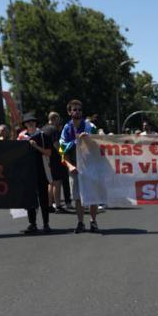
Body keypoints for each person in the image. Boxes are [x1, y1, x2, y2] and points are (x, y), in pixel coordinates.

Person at [60, 99, 99, 233]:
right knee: (77, 197)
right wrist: (70, 166)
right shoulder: (66, 128)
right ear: (69, 112)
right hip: (74, 166)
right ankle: (80, 222)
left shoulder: (89, 126)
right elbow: (61, 150)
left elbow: (100, 143)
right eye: (74, 109)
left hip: (90, 165)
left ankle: (93, 221)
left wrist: (88, 139)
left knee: (92, 195)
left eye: (79, 109)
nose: (77, 112)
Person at [18, 113, 52, 234]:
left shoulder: (43, 136)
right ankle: (32, 223)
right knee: (30, 198)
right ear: (25, 125)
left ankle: (46, 223)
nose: (30, 124)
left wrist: (36, 146)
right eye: (28, 122)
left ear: (36, 123)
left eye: (32, 122)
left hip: (41, 169)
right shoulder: (21, 137)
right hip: (27, 171)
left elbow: (48, 153)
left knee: (43, 198)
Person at [42, 112, 68, 213]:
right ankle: (58, 205)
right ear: (55, 118)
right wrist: (63, 154)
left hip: (46, 158)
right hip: (55, 159)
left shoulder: (43, 128)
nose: (59, 121)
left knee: (50, 183)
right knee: (57, 182)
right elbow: (56, 144)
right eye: (58, 118)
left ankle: (49, 205)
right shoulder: (53, 129)